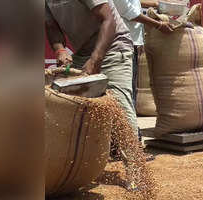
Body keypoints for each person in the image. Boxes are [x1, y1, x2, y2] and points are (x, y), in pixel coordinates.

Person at [45, 0, 139, 137]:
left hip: (113, 46)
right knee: (78, 107)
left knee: (118, 104)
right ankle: (98, 152)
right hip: (83, 52)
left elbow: (109, 19)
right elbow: (51, 25)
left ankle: (133, 153)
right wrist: (60, 50)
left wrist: (95, 60)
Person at [111, 0, 173, 139]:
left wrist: (158, 5)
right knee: (126, 94)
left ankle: (125, 139)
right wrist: (158, 25)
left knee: (130, 91)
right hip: (123, 41)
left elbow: (134, 2)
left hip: (130, 41)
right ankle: (130, 141)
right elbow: (129, 12)